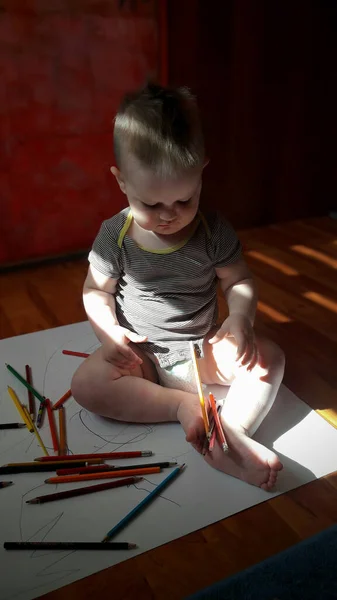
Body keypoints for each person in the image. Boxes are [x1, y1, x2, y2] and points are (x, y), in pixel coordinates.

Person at [71, 83, 285, 490]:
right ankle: (183, 408)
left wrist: (241, 319)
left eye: (185, 200)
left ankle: (227, 433)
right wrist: (108, 333)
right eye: (151, 205)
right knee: (86, 385)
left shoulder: (212, 231)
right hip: (143, 360)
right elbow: (95, 291)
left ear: (202, 172)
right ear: (121, 182)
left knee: (270, 358)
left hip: (202, 352)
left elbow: (238, 279)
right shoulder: (114, 236)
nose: (170, 216)